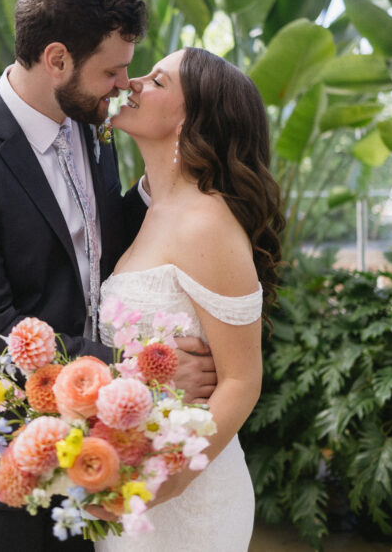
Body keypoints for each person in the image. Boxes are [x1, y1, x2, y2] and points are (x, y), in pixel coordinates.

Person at [0, 0, 218, 552]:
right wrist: (142, 368)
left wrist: (165, 184)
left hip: (96, 447)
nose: (123, 86)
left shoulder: (89, 120)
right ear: (56, 60)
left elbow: (101, 243)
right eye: (112, 71)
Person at [94, 47, 284, 551]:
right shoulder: (150, 210)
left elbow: (242, 380)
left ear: (191, 118)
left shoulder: (207, 222)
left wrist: (171, 476)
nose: (131, 83)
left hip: (187, 497)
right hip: (131, 479)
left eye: (156, 81)